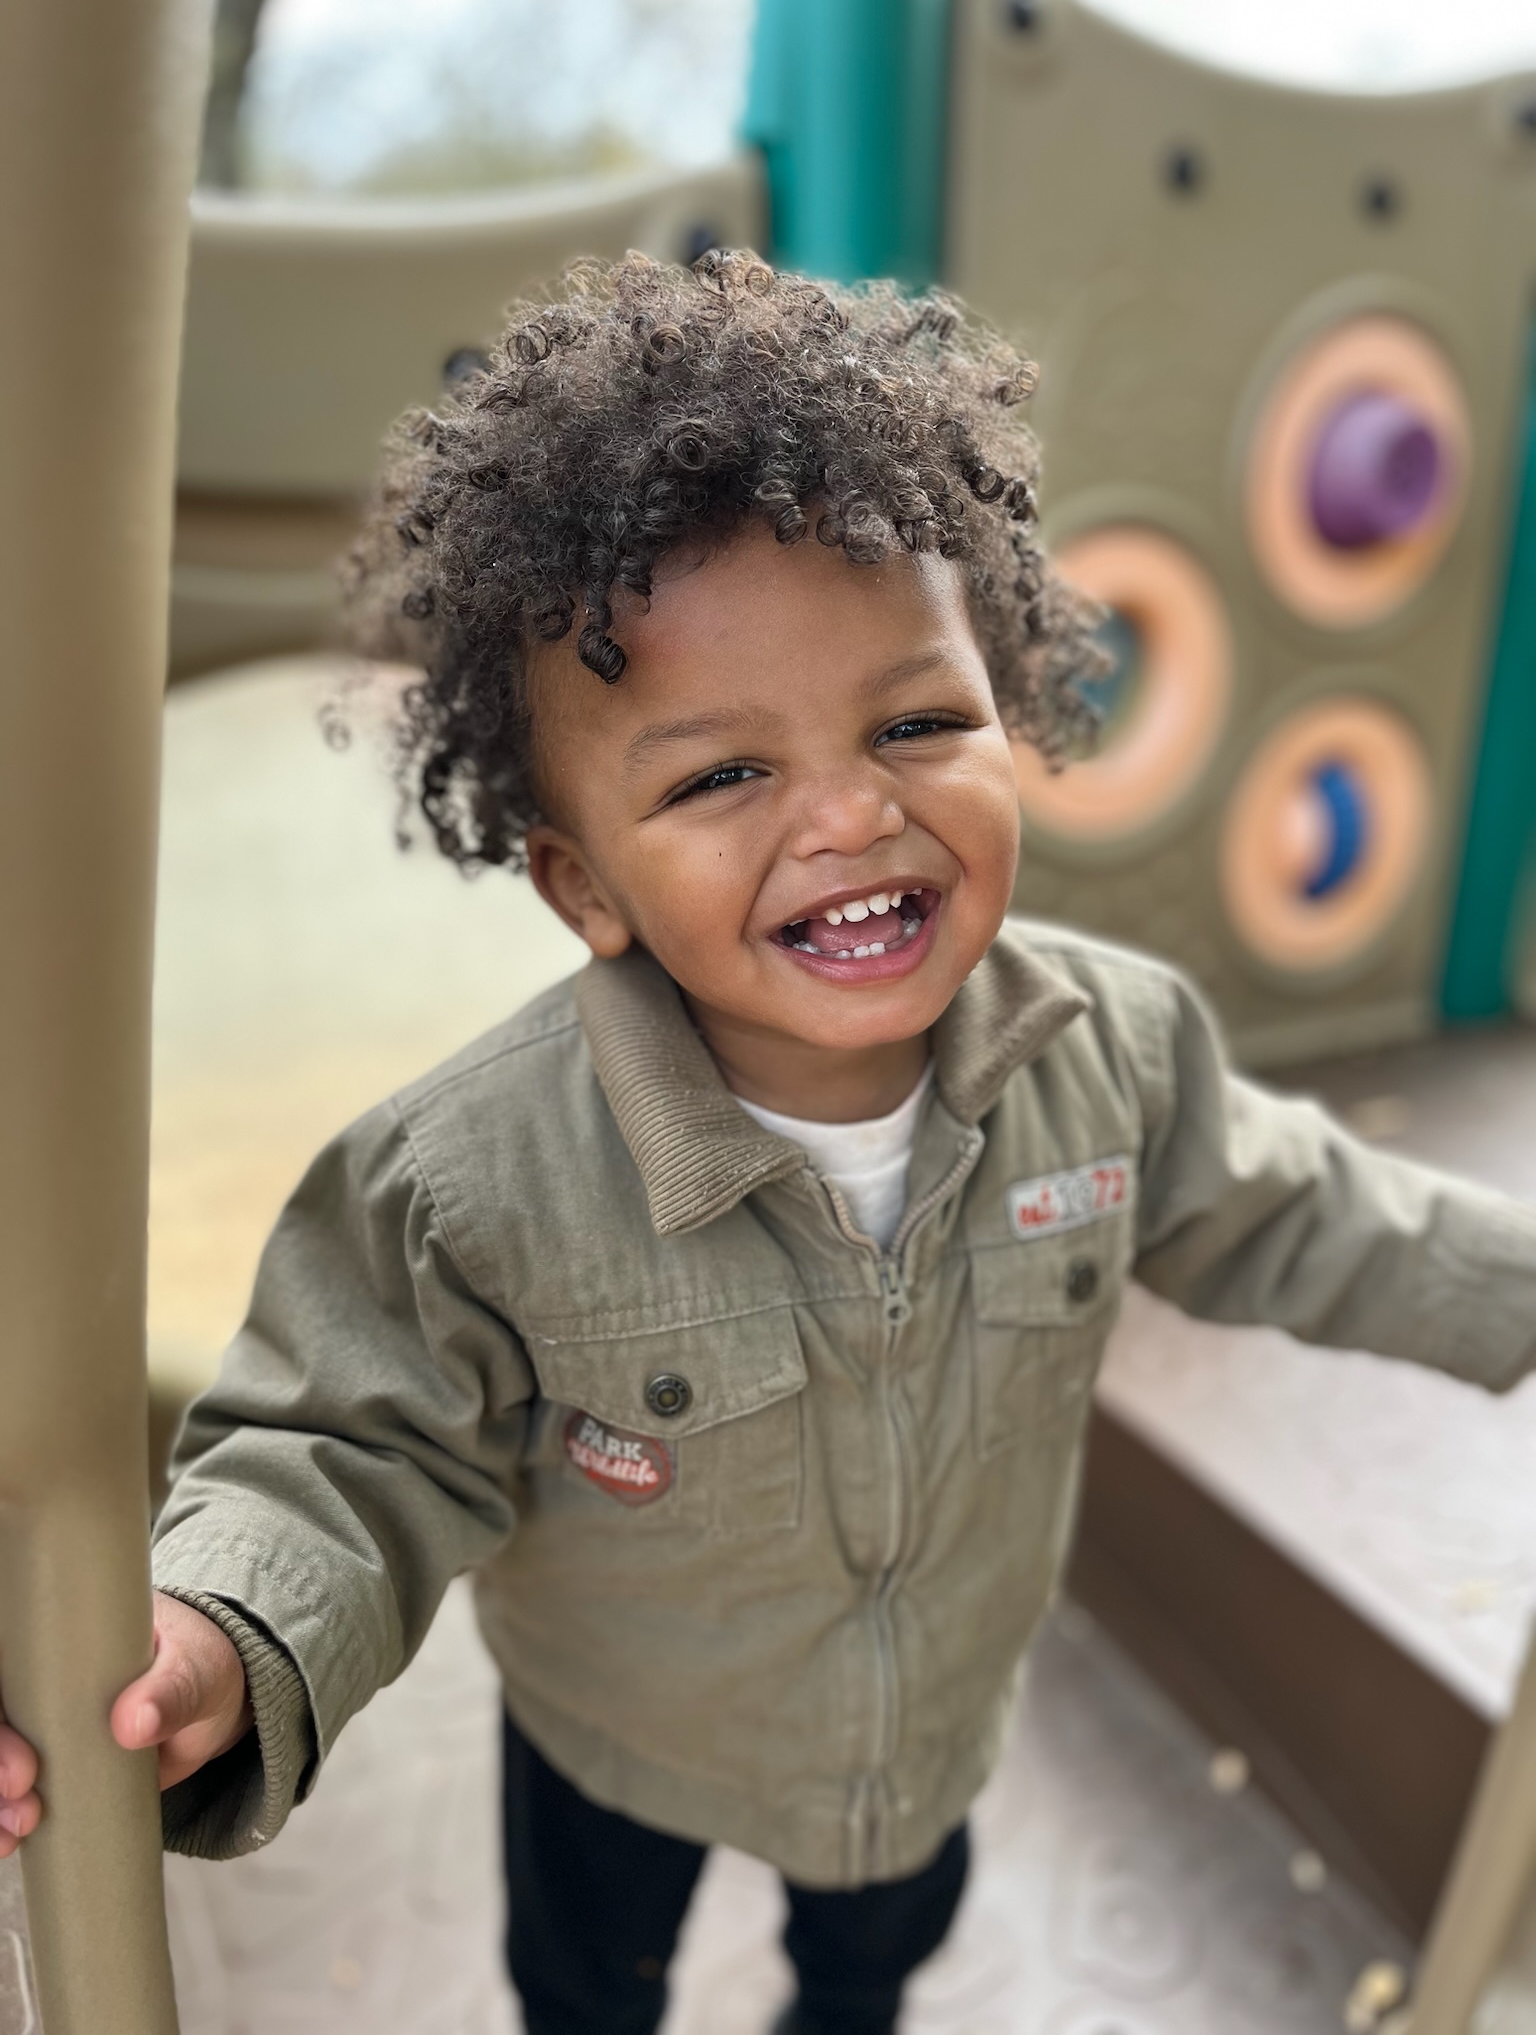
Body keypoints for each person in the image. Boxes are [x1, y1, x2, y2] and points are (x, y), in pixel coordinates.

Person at [2, 250, 1534, 2035]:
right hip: (616, 1743)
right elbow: (350, 1453)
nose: (849, 814)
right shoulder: (473, 1180)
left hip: (928, 1730)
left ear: (1008, 709)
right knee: (589, 1985)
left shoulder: (1113, 1057)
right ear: (582, 881)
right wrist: (218, 1632)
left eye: (919, 722)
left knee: (870, 1971)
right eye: (722, 776)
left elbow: (1311, 1215)